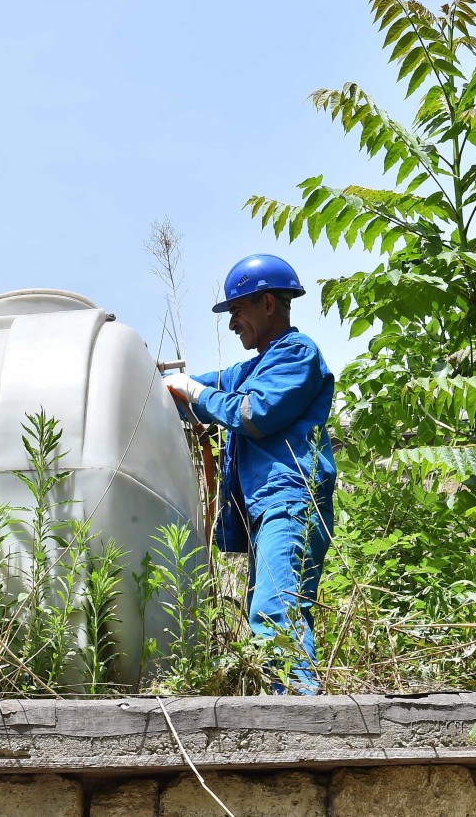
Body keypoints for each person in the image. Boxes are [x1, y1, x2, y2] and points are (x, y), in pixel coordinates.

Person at [163, 253, 336, 694]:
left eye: (237, 310)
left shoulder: (297, 354)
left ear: (268, 304)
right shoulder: (252, 368)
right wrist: (159, 385)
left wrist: (197, 394)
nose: (232, 322)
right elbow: (199, 389)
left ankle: (301, 718)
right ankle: (295, 709)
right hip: (267, 509)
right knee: (275, 610)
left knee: (274, 612)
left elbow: (253, 413)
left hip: (291, 500)